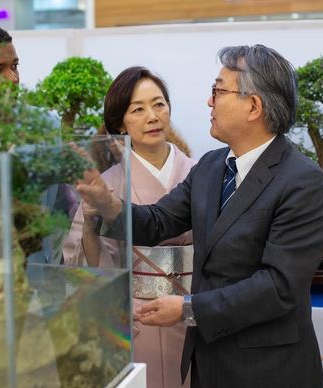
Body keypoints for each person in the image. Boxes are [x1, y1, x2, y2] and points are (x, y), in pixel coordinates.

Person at [76, 45, 323, 388]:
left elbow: (278, 287)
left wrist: (187, 308)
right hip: (209, 363)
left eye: (218, 91)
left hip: (268, 368)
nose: (209, 102)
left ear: (254, 106)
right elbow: (157, 222)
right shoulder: (212, 166)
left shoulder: (303, 182)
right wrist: (106, 202)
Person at [63, 66, 195, 387]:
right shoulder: (107, 184)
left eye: (159, 104)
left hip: (192, 315)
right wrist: (126, 305)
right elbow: (89, 266)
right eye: (138, 109)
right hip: (137, 318)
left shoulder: (200, 172)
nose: (152, 116)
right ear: (120, 123)